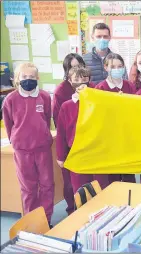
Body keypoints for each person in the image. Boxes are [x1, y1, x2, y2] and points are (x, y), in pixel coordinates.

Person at [2, 63, 54, 224]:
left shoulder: (44, 97)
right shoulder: (10, 99)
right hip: (22, 150)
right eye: (25, 77)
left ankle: (45, 220)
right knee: (28, 188)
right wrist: (17, 140)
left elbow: (46, 118)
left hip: (42, 148)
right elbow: (9, 124)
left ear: (37, 78)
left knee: (47, 185)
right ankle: (31, 221)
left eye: (32, 77)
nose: (28, 80)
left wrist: (43, 136)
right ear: (18, 79)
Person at [56, 67, 110, 192]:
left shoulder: (99, 102)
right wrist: (60, 156)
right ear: (70, 81)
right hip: (77, 153)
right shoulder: (66, 106)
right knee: (80, 190)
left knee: (101, 187)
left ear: (89, 81)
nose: (80, 82)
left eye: (84, 79)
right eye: (76, 79)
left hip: (97, 152)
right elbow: (61, 134)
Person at [52, 53, 86, 215]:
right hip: (73, 148)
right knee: (72, 184)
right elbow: (61, 129)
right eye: (73, 67)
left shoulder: (92, 92)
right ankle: (73, 210)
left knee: (93, 183)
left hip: (91, 148)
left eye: (79, 65)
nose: (77, 71)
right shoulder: (63, 96)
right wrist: (61, 154)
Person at [95, 53, 136, 184]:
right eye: (113, 66)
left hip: (127, 136)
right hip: (110, 138)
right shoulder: (100, 88)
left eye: (120, 66)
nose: (117, 69)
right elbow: (98, 114)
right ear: (106, 67)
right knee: (112, 176)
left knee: (128, 174)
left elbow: (136, 108)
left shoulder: (129, 86)